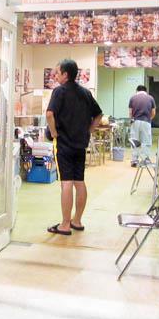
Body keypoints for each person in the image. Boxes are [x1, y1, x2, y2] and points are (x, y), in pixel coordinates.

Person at [45, 59, 102, 235]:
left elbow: (49, 114)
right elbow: (99, 115)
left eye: (57, 73)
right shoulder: (85, 93)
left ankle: (64, 224)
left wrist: (54, 133)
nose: (55, 76)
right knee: (79, 181)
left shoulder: (59, 91)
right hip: (80, 144)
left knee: (66, 182)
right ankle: (77, 220)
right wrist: (88, 131)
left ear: (65, 74)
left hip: (64, 144)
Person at [128, 85, 156, 166]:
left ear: (137, 90)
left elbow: (130, 113)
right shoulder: (150, 98)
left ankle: (134, 160)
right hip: (146, 122)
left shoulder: (132, 98)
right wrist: (149, 119)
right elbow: (153, 112)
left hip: (135, 121)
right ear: (145, 91)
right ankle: (145, 159)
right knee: (146, 141)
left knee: (134, 141)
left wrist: (132, 120)